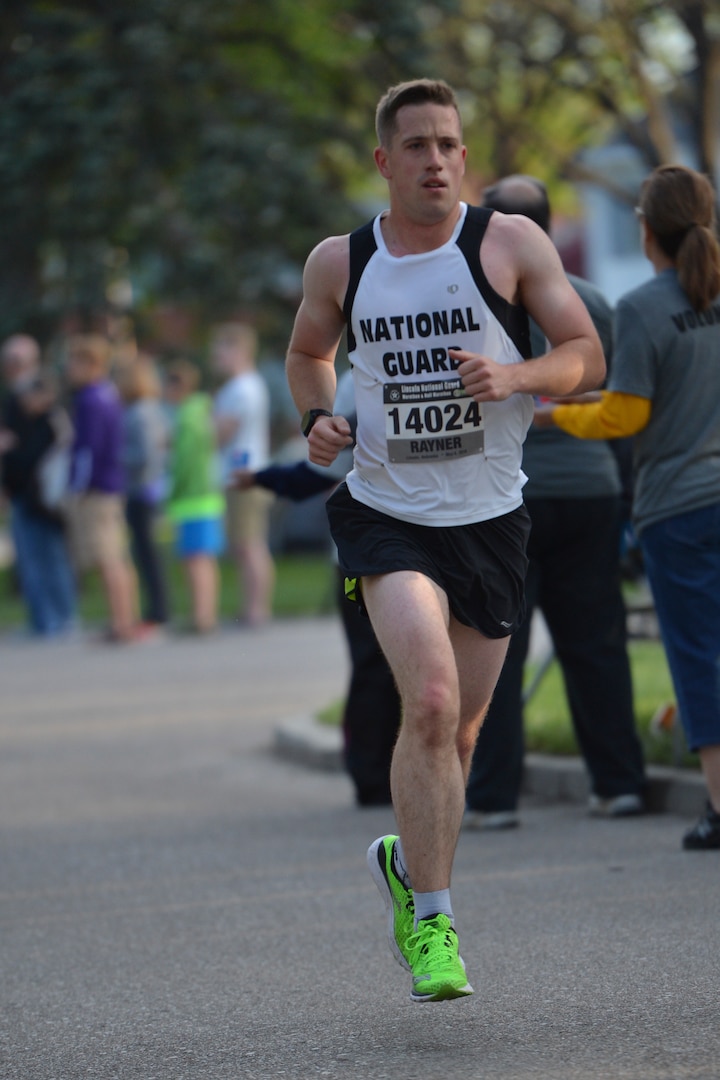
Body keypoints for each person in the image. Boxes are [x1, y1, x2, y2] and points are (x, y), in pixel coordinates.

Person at [285, 78, 605, 1002]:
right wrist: (318, 416)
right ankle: (435, 926)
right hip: (386, 513)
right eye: (417, 145)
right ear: (384, 161)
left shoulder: (506, 243)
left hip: (492, 518)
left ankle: (406, 860)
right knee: (426, 702)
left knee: (458, 735)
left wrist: (517, 374)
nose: (435, 160)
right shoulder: (340, 262)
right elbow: (310, 352)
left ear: (464, 157)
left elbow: (586, 355)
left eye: (449, 145)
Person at [535, 164, 720, 851]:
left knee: (700, 657)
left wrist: (552, 418)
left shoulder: (644, 306)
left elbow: (627, 414)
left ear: (647, 229)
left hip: (680, 509)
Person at [464, 175, 646, 830]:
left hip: (505, 501)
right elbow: (625, 408)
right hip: (592, 492)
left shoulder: (475, 306)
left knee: (497, 649)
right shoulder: (594, 303)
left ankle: (492, 797)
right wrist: (625, 494)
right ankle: (619, 783)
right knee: (597, 642)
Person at [231, 370, 402, 806]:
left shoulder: (357, 378)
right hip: (361, 564)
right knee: (378, 663)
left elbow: (317, 473)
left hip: (362, 557)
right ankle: (374, 777)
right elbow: (324, 466)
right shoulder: (356, 383)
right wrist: (264, 478)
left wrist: (264, 478)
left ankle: (376, 778)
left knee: (374, 663)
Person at [65, 333, 140, 643]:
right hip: (113, 483)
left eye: (73, 362)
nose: (69, 369)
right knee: (118, 556)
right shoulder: (109, 395)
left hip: (97, 488)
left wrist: (76, 486)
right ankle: (126, 618)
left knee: (107, 556)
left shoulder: (89, 399)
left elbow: (88, 449)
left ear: (90, 364)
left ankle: (121, 624)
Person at [0, 334, 77, 637]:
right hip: (24, 494)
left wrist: (10, 450)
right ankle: (43, 618)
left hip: (45, 497)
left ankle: (60, 617)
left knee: (50, 557)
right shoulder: (14, 400)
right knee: (31, 560)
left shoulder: (48, 415)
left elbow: (35, 452)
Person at [212, 322, 274, 628]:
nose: (217, 356)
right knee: (245, 544)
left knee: (250, 544)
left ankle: (256, 610)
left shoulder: (243, 387)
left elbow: (222, 432)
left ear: (239, 350)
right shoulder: (244, 385)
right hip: (242, 474)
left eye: (222, 349)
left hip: (245, 476)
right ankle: (252, 607)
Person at [164, 359, 224, 634]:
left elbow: (183, 463)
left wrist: (171, 489)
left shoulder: (186, 417)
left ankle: (201, 617)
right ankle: (206, 614)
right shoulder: (202, 411)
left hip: (192, 497)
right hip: (208, 494)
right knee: (205, 559)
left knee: (195, 559)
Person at [116, 356, 171, 634]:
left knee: (148, 552)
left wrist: (116, 458)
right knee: (144, 552)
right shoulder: (147, 409)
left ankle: (158, 612)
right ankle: (155, 610)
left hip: (142, 489)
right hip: (141, 488)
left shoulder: (141, 412)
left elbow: (147, 454)